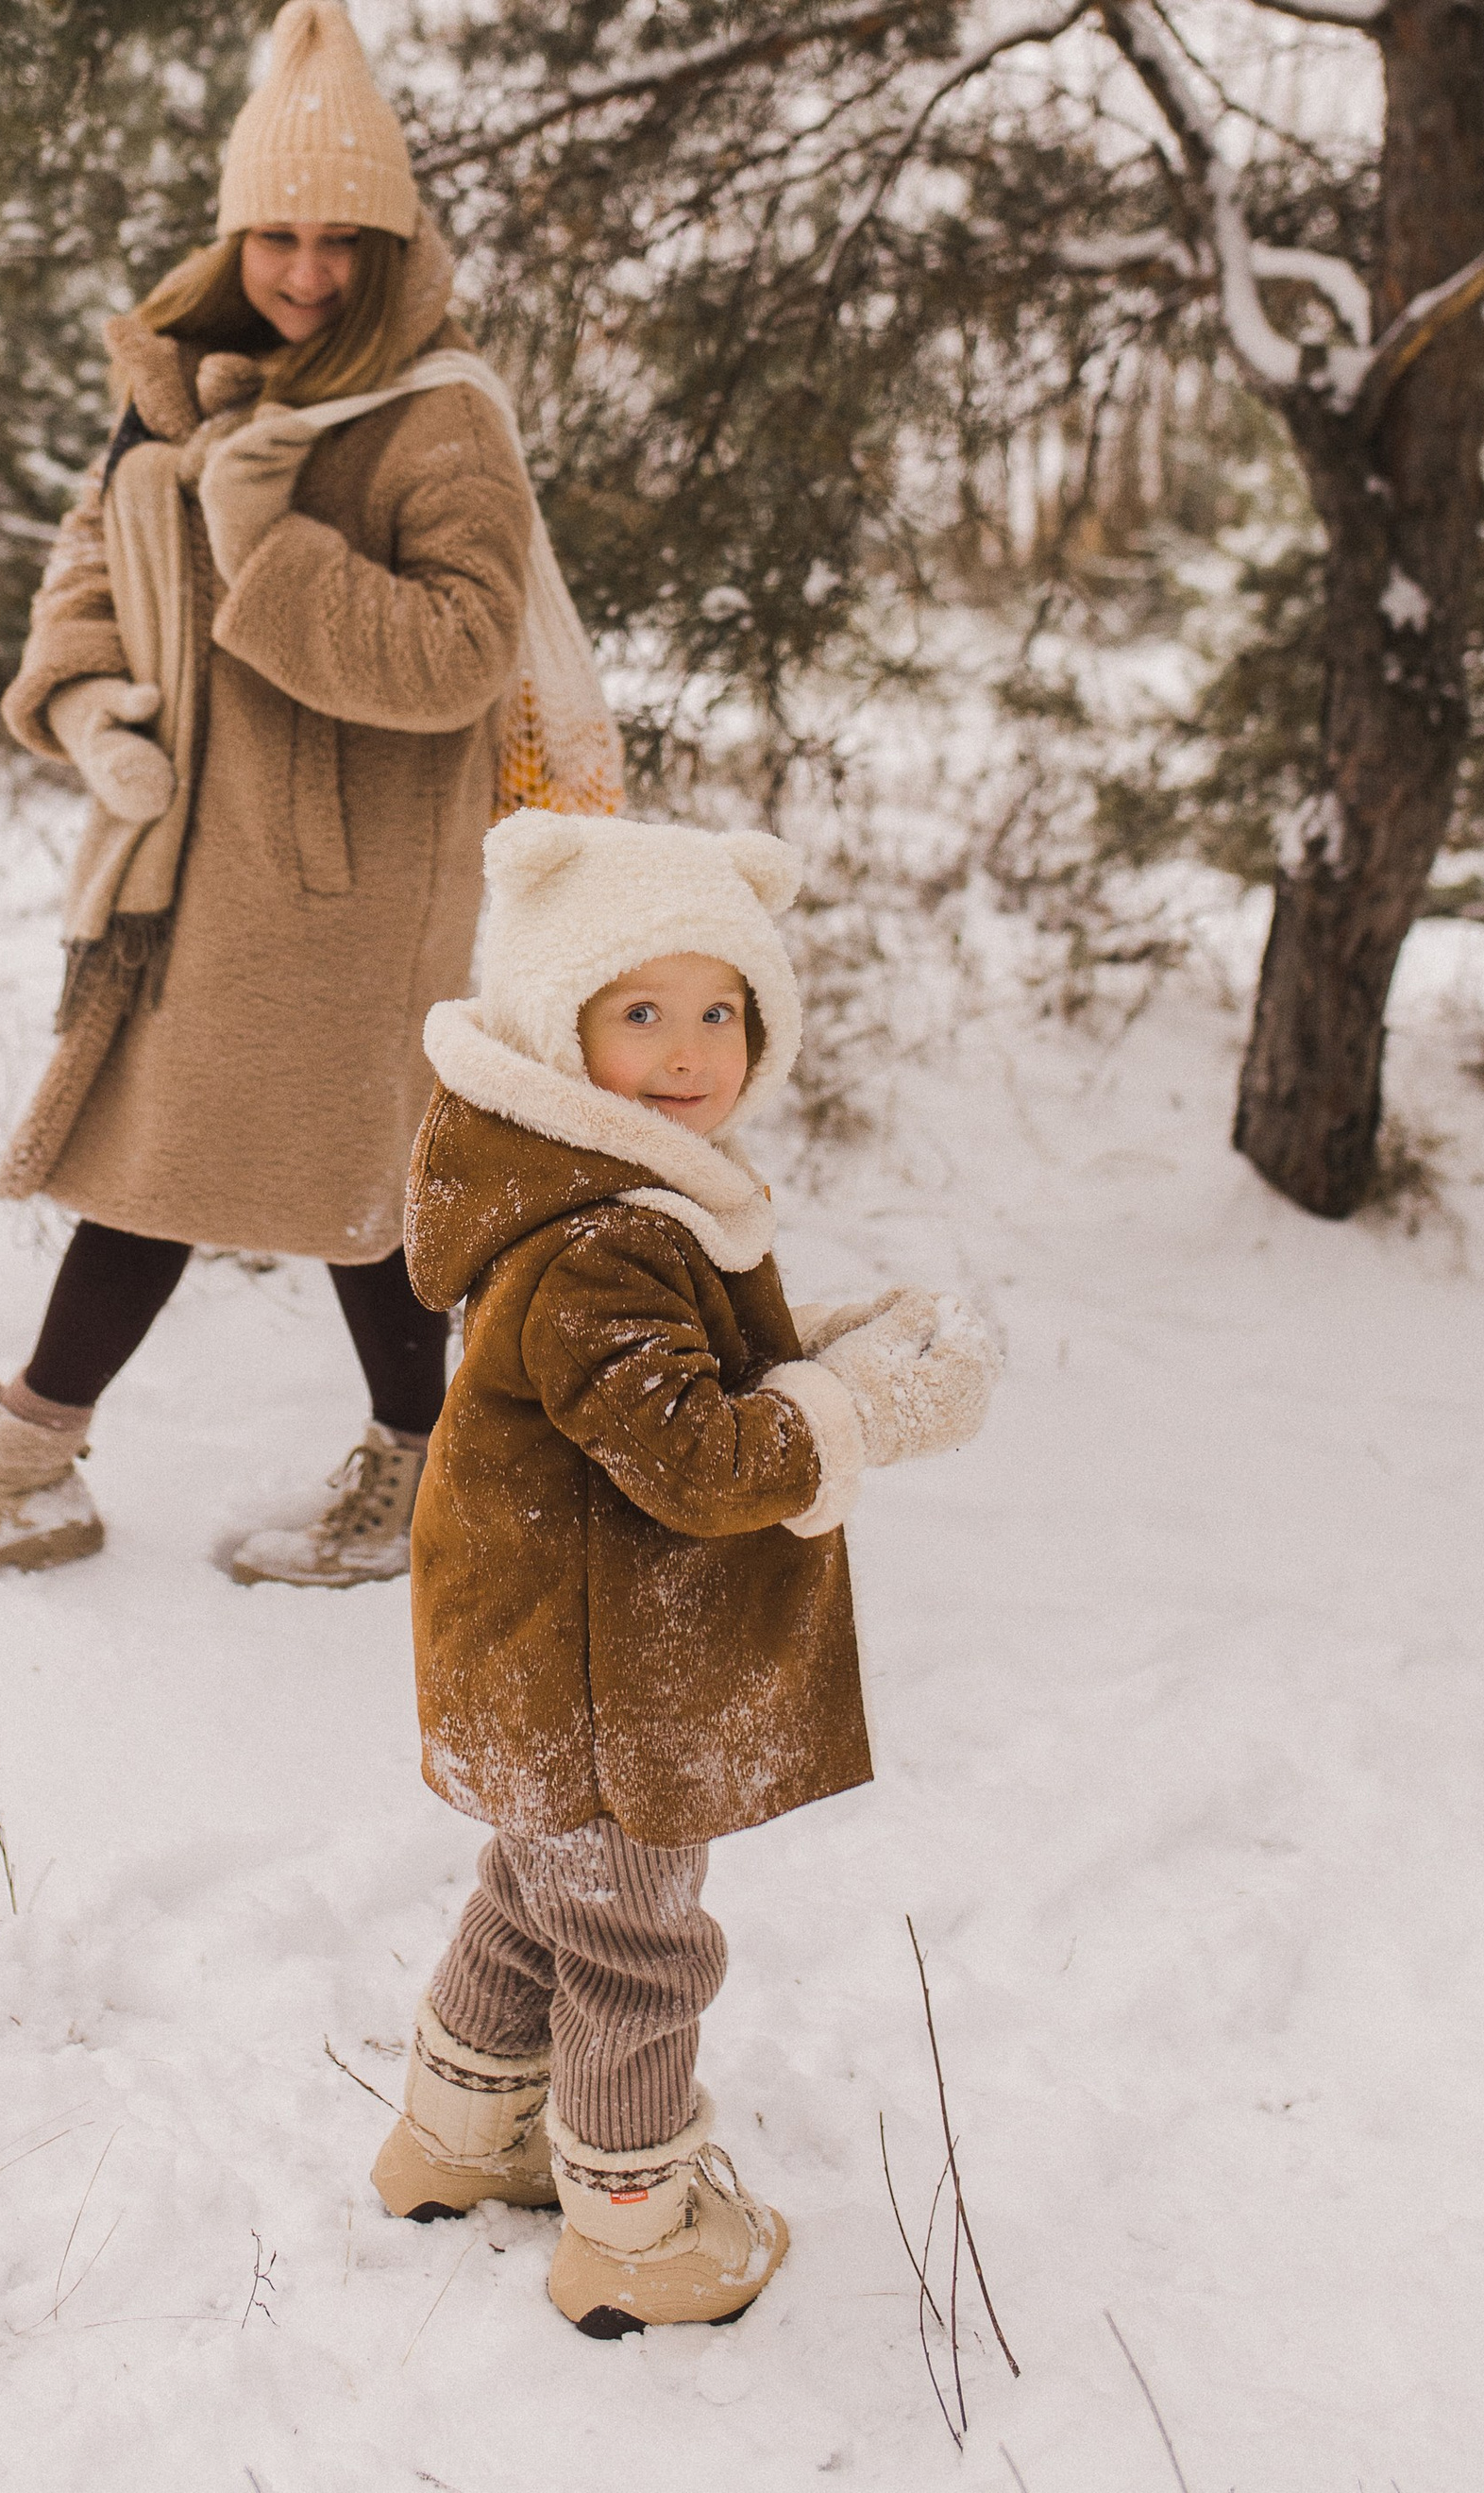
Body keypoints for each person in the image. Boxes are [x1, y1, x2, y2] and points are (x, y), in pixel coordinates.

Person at [0, 0, 534, 1586]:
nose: (307, 274)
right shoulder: (180, 376)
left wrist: (268, 541)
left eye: (342, 243)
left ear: (392, 246)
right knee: (265, 1163)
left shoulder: (439, 411)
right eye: (278, 237)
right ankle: (408, 1467)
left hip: (352, 874)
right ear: (236, 232)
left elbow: (462, 654)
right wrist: (84, 692)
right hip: (182, 850)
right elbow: (91, 553)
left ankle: (51, 1452)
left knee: (315, 1171)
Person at [368, 809, 1001, 2336]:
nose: (688, 1049)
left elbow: (656, 1380)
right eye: (640, 1009)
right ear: (556, 1020)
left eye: (722, 1009)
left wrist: (815, 1343)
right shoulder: (603, 1237)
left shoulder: (588, 1183)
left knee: (541, 1896)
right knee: (637, 1947)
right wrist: (859, 1409)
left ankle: (459, 2138)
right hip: (598, 1692)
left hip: (540, 1664)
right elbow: (695, 1460)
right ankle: (634, 2230)